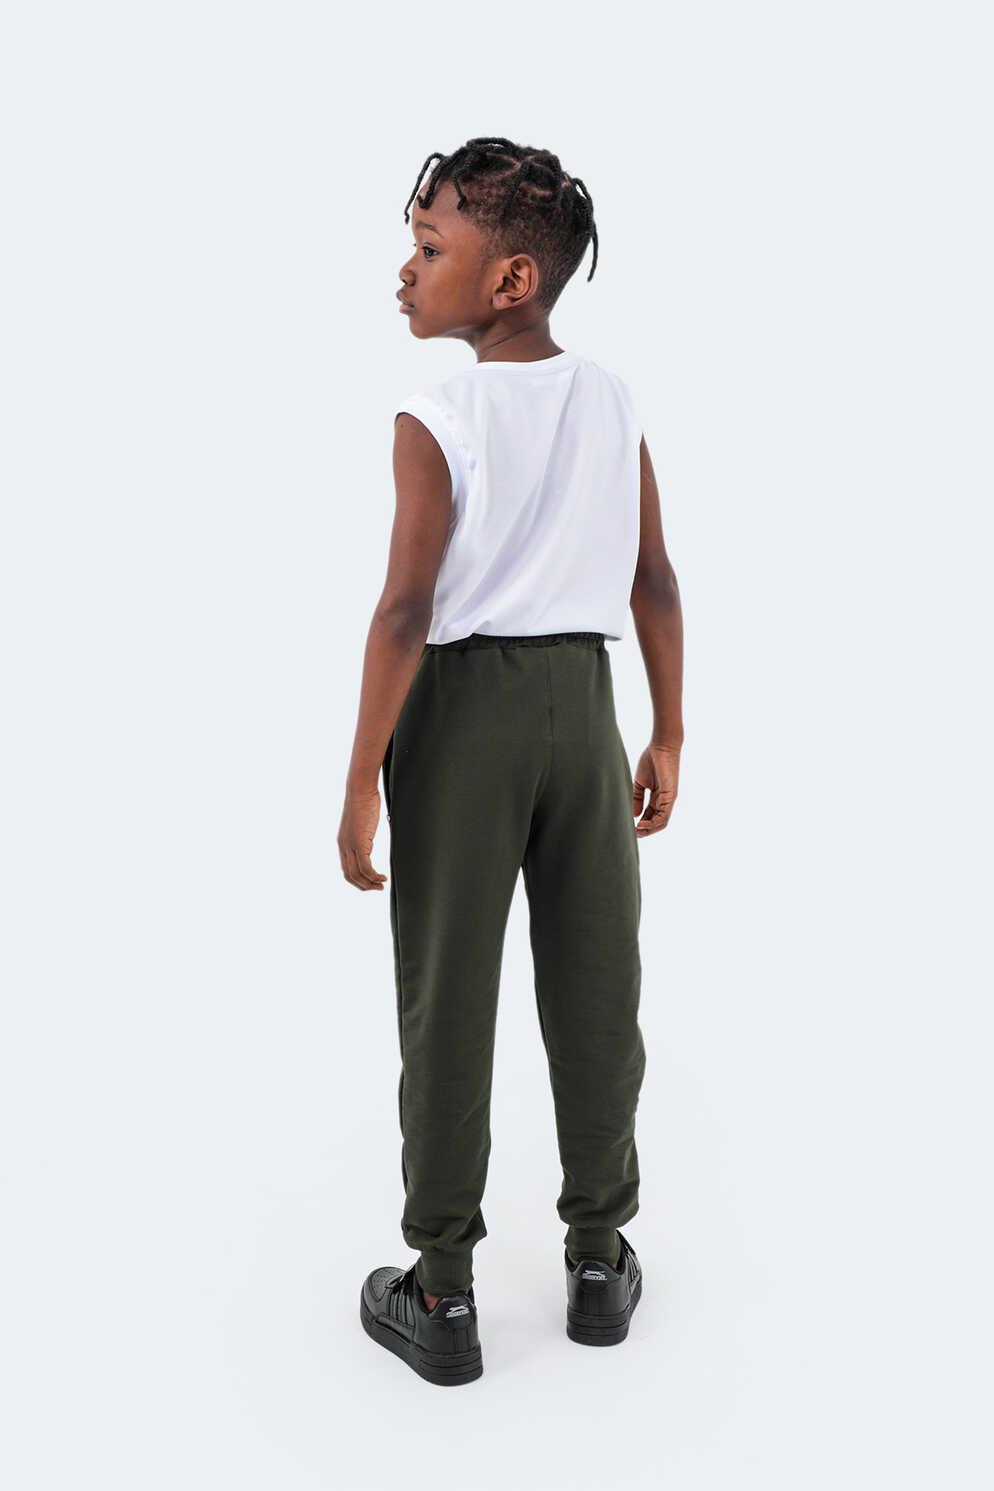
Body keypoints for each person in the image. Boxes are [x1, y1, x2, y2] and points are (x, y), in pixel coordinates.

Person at [340, 137, 684, 1387]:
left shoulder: (436, 415)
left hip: (462, 719)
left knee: (448, 992)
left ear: (510, 279)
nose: (405, 268)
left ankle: (441, 1293)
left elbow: (402, 611)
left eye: (430, 247)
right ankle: (596, 1260)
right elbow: (653, 577)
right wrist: (666, 731)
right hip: (584, 711)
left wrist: (359, 783)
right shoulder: (611, 400)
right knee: (597, 981)